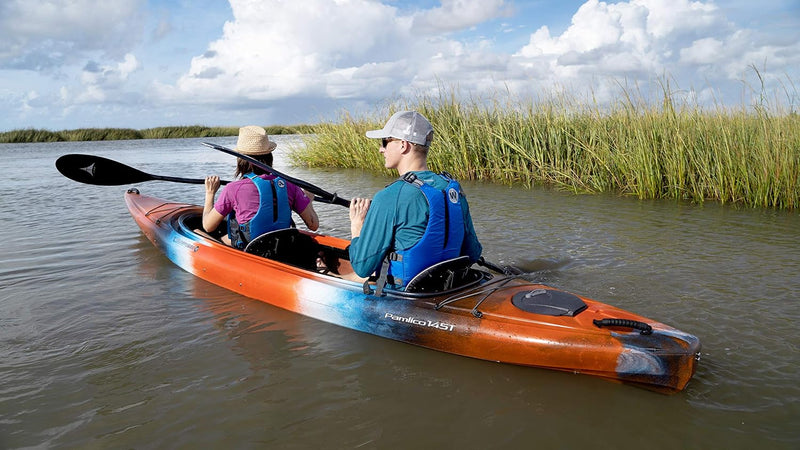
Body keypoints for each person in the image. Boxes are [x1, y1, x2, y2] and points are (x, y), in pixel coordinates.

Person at [348, 110, 482, 290]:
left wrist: (357, 226)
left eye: (385, 142)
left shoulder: (388, 197)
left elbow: (362, 267)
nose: (381, 149)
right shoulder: (454, 190)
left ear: (403, 145)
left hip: (407, 297)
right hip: (450, 286)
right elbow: (472, 253)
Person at [203, 125, 319, 248]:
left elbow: (208, 226)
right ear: (269, 157)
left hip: (251, 248)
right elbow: (313, 225)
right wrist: (308, 200)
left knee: (199, 233)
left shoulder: (232, 189)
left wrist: (210, 193)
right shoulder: (290, 185)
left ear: (240, 160)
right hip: (282, 245)